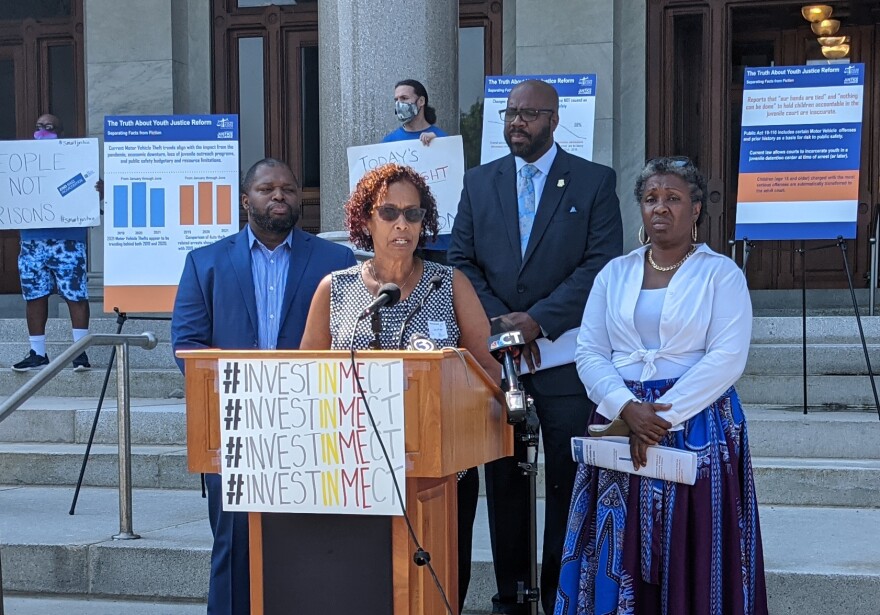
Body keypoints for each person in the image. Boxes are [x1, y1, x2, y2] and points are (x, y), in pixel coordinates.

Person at [555, 157, 768, 614]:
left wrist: (660, 416)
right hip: (619, 418)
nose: (660, 208)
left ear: (695, 209)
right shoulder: (614, 273)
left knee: (689, 542)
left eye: (673, 198)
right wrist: (626, 407)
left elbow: (727, 358)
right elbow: (590, 350)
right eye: (651, 199)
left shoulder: (721, 273)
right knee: (616, 541)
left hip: (697, 423)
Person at [448, 79, 623, 615]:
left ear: (553, 119)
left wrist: (538, 321)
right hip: (499, 361)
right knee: (505, 485)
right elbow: (460, 261)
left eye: (527, 114)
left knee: (568, 485)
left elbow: (601, 264)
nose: (515, 123)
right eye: (509, 114)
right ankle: (512, 599)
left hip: (566, 360)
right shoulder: (479, 183)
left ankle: (560, 596)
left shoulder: (593, 182)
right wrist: (501, 326)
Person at [299, 162, 499, 613]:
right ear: (365, 220)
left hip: (440, 472)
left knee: (438, 583)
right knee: (363, 584)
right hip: (354, 466)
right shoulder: (336, 289)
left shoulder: (450, 283)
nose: (402, 224)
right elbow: (306, 375)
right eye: (388, 212)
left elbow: (487, 369)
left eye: (413, 213)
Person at [171, 158, 356, 615]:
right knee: (234, 549)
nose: (279, 197)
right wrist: (241, 394)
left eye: (289, 189)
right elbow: (187, 346)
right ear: (244, 200)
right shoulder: (206, 263)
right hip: (235, 429)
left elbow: (352, 340)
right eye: (267, 189)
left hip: (313, 426)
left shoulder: (336, 262)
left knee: (311, 549)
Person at [11, 113, 97, 372]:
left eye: (49, 127)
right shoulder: (23, 162)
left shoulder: (77, 160)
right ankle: (37, 352)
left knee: (75, 295)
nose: (43, 131)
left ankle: (79, 353)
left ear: (61, 132)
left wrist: (97, 192)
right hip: (32, 240)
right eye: (38, 127)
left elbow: (90, 190)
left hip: (69, 239)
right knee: (34, 295)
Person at [383, 79, 451, 259]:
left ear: (421, 101)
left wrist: (437, 147)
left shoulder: (442, 140)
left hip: (438, 242)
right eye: (396, 100)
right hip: (401, 237)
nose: (400, 104)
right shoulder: (388, 144)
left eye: (404, 98)